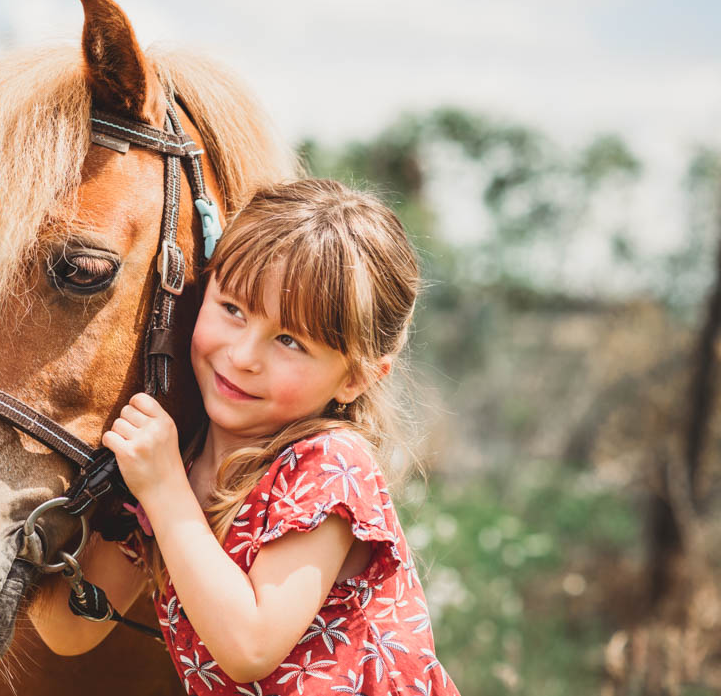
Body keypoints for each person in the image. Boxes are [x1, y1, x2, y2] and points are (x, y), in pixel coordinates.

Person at [32, 178, 460, 695]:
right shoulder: (181, 461)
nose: (242, 356)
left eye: (289, 341)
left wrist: (164, 490)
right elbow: (69, 628)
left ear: (355, 377)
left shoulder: (329, 466)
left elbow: (250, 647)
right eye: (232, 310)